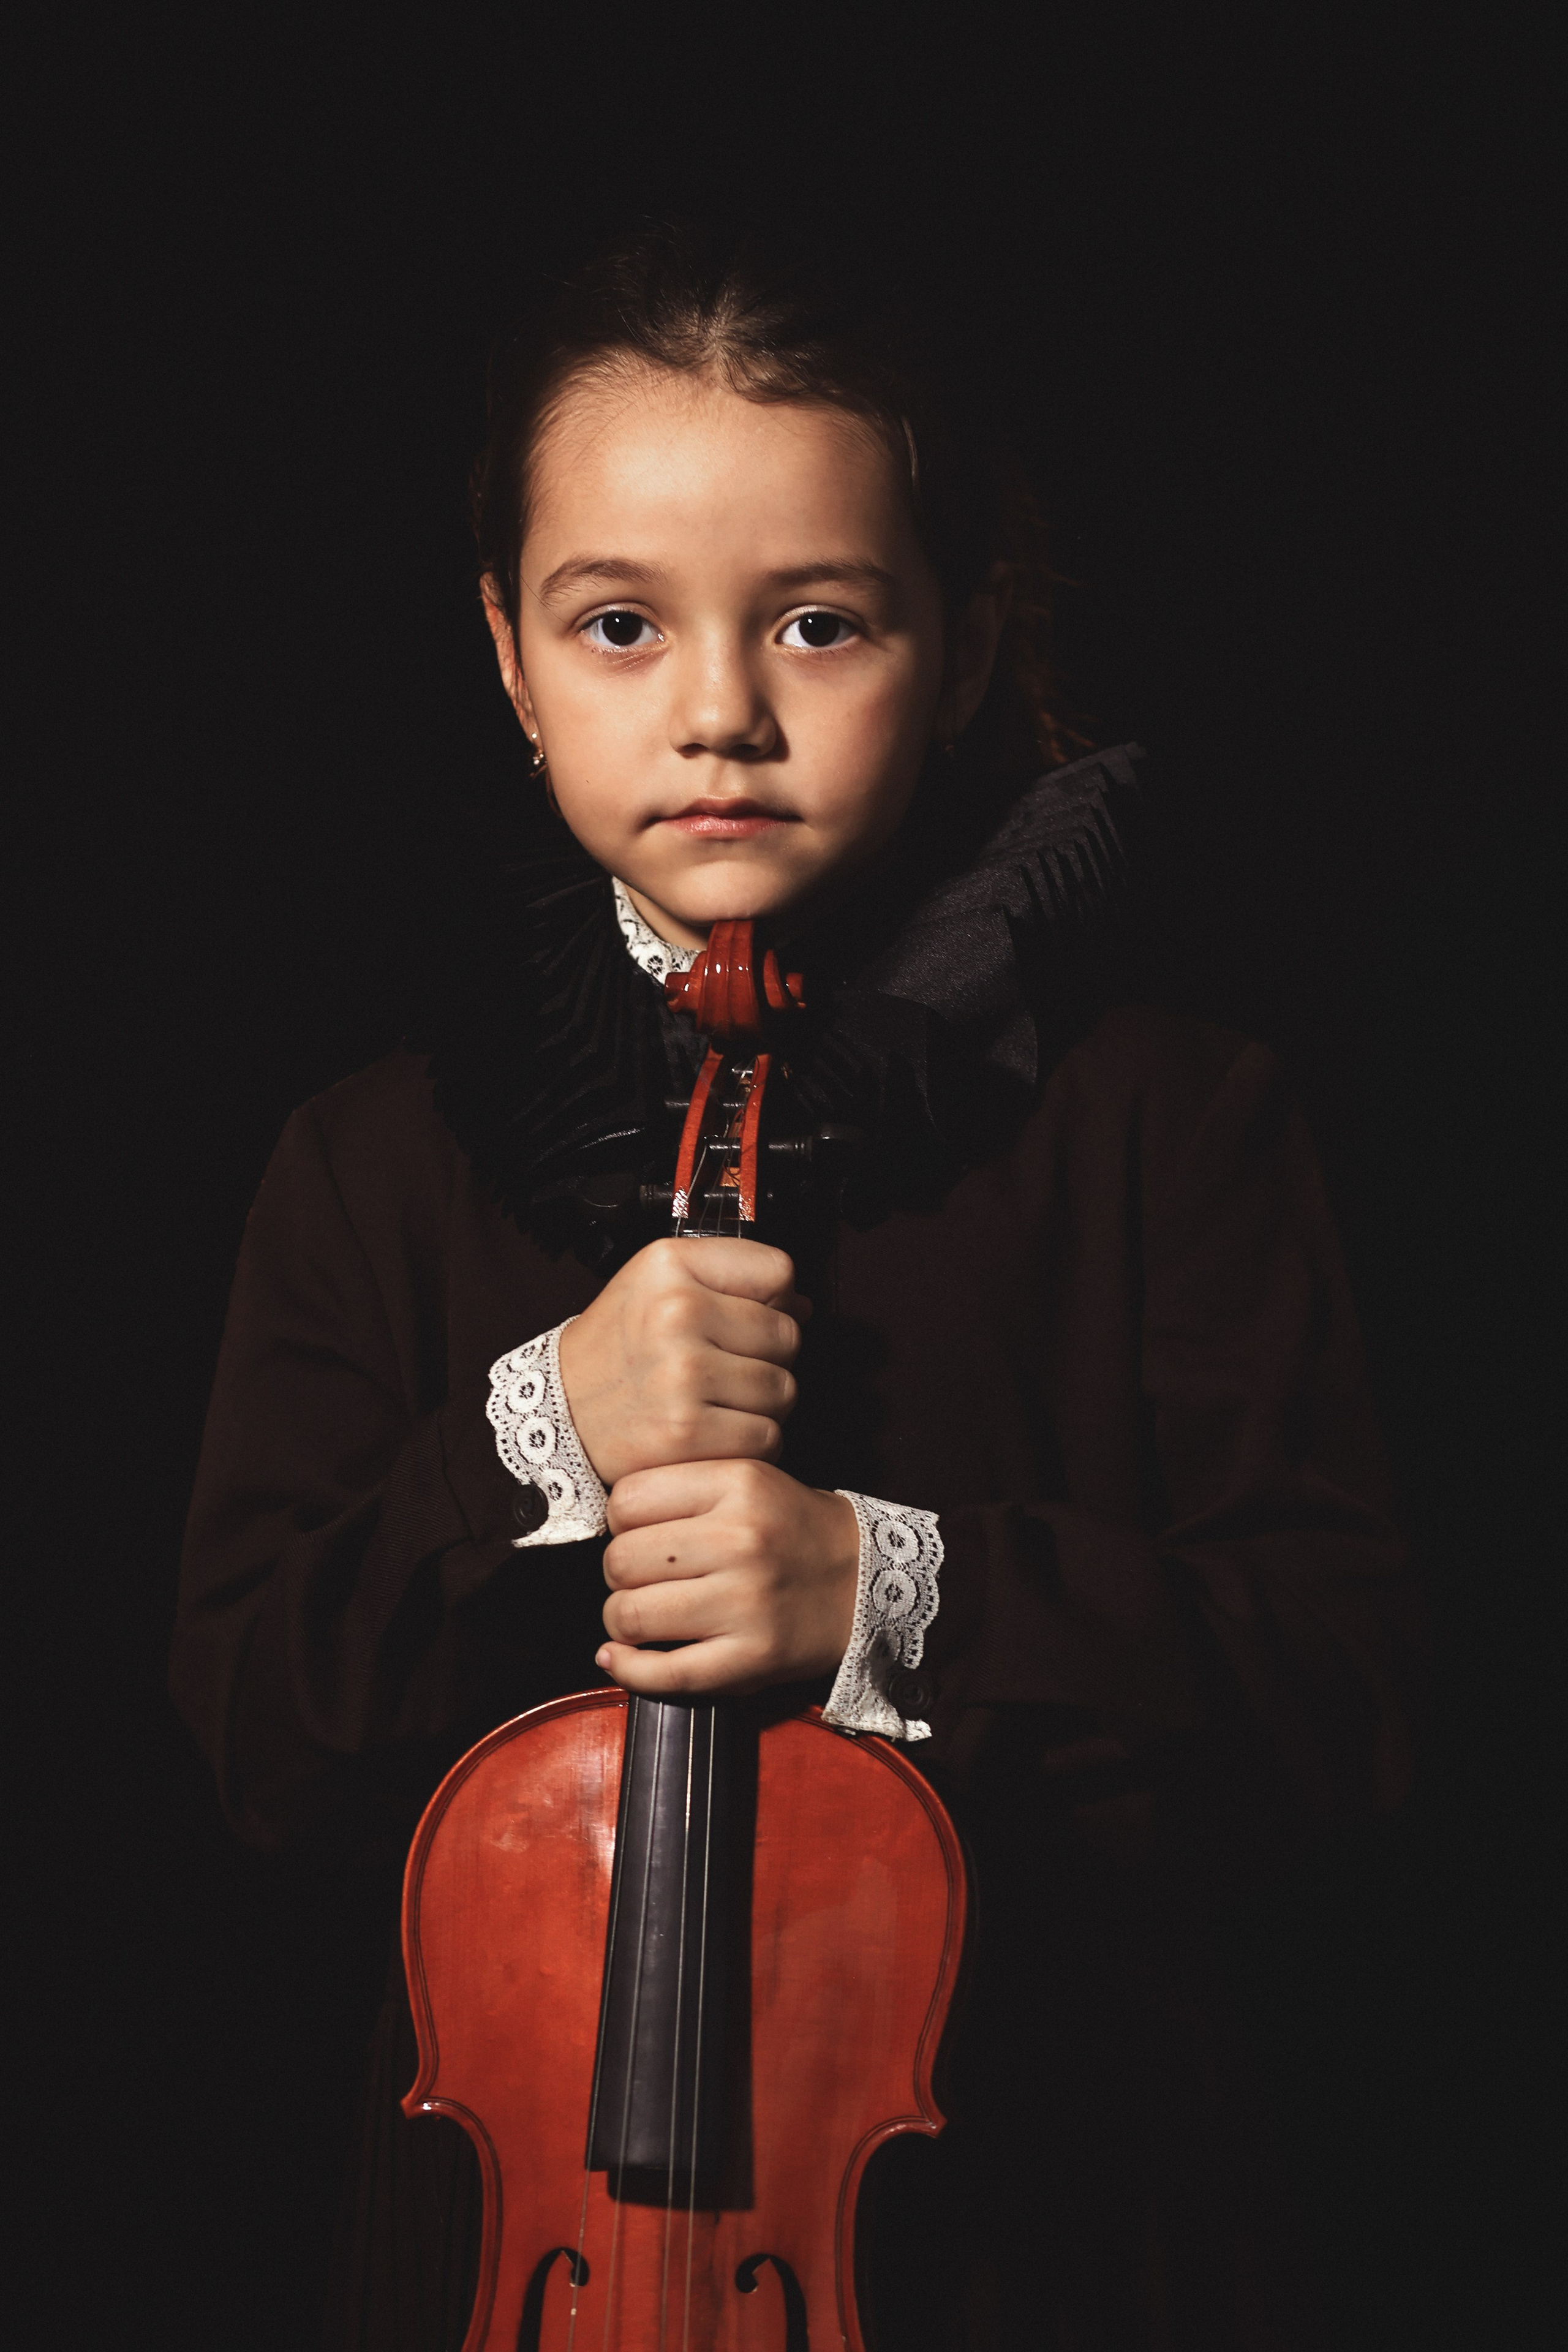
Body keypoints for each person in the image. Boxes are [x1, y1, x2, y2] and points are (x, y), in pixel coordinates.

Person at [171, 224, 1422, 2350]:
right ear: (506, 654)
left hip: (1062, 2250)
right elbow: (248, 1743)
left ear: (962, 637)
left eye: (822, 623)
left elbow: (1353, 1711)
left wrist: (892, 1590)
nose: (720, 714)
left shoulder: (1165, 1124)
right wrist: (535, 1421)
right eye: (621, 627)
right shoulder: (370, 1164)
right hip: (501, 2276)